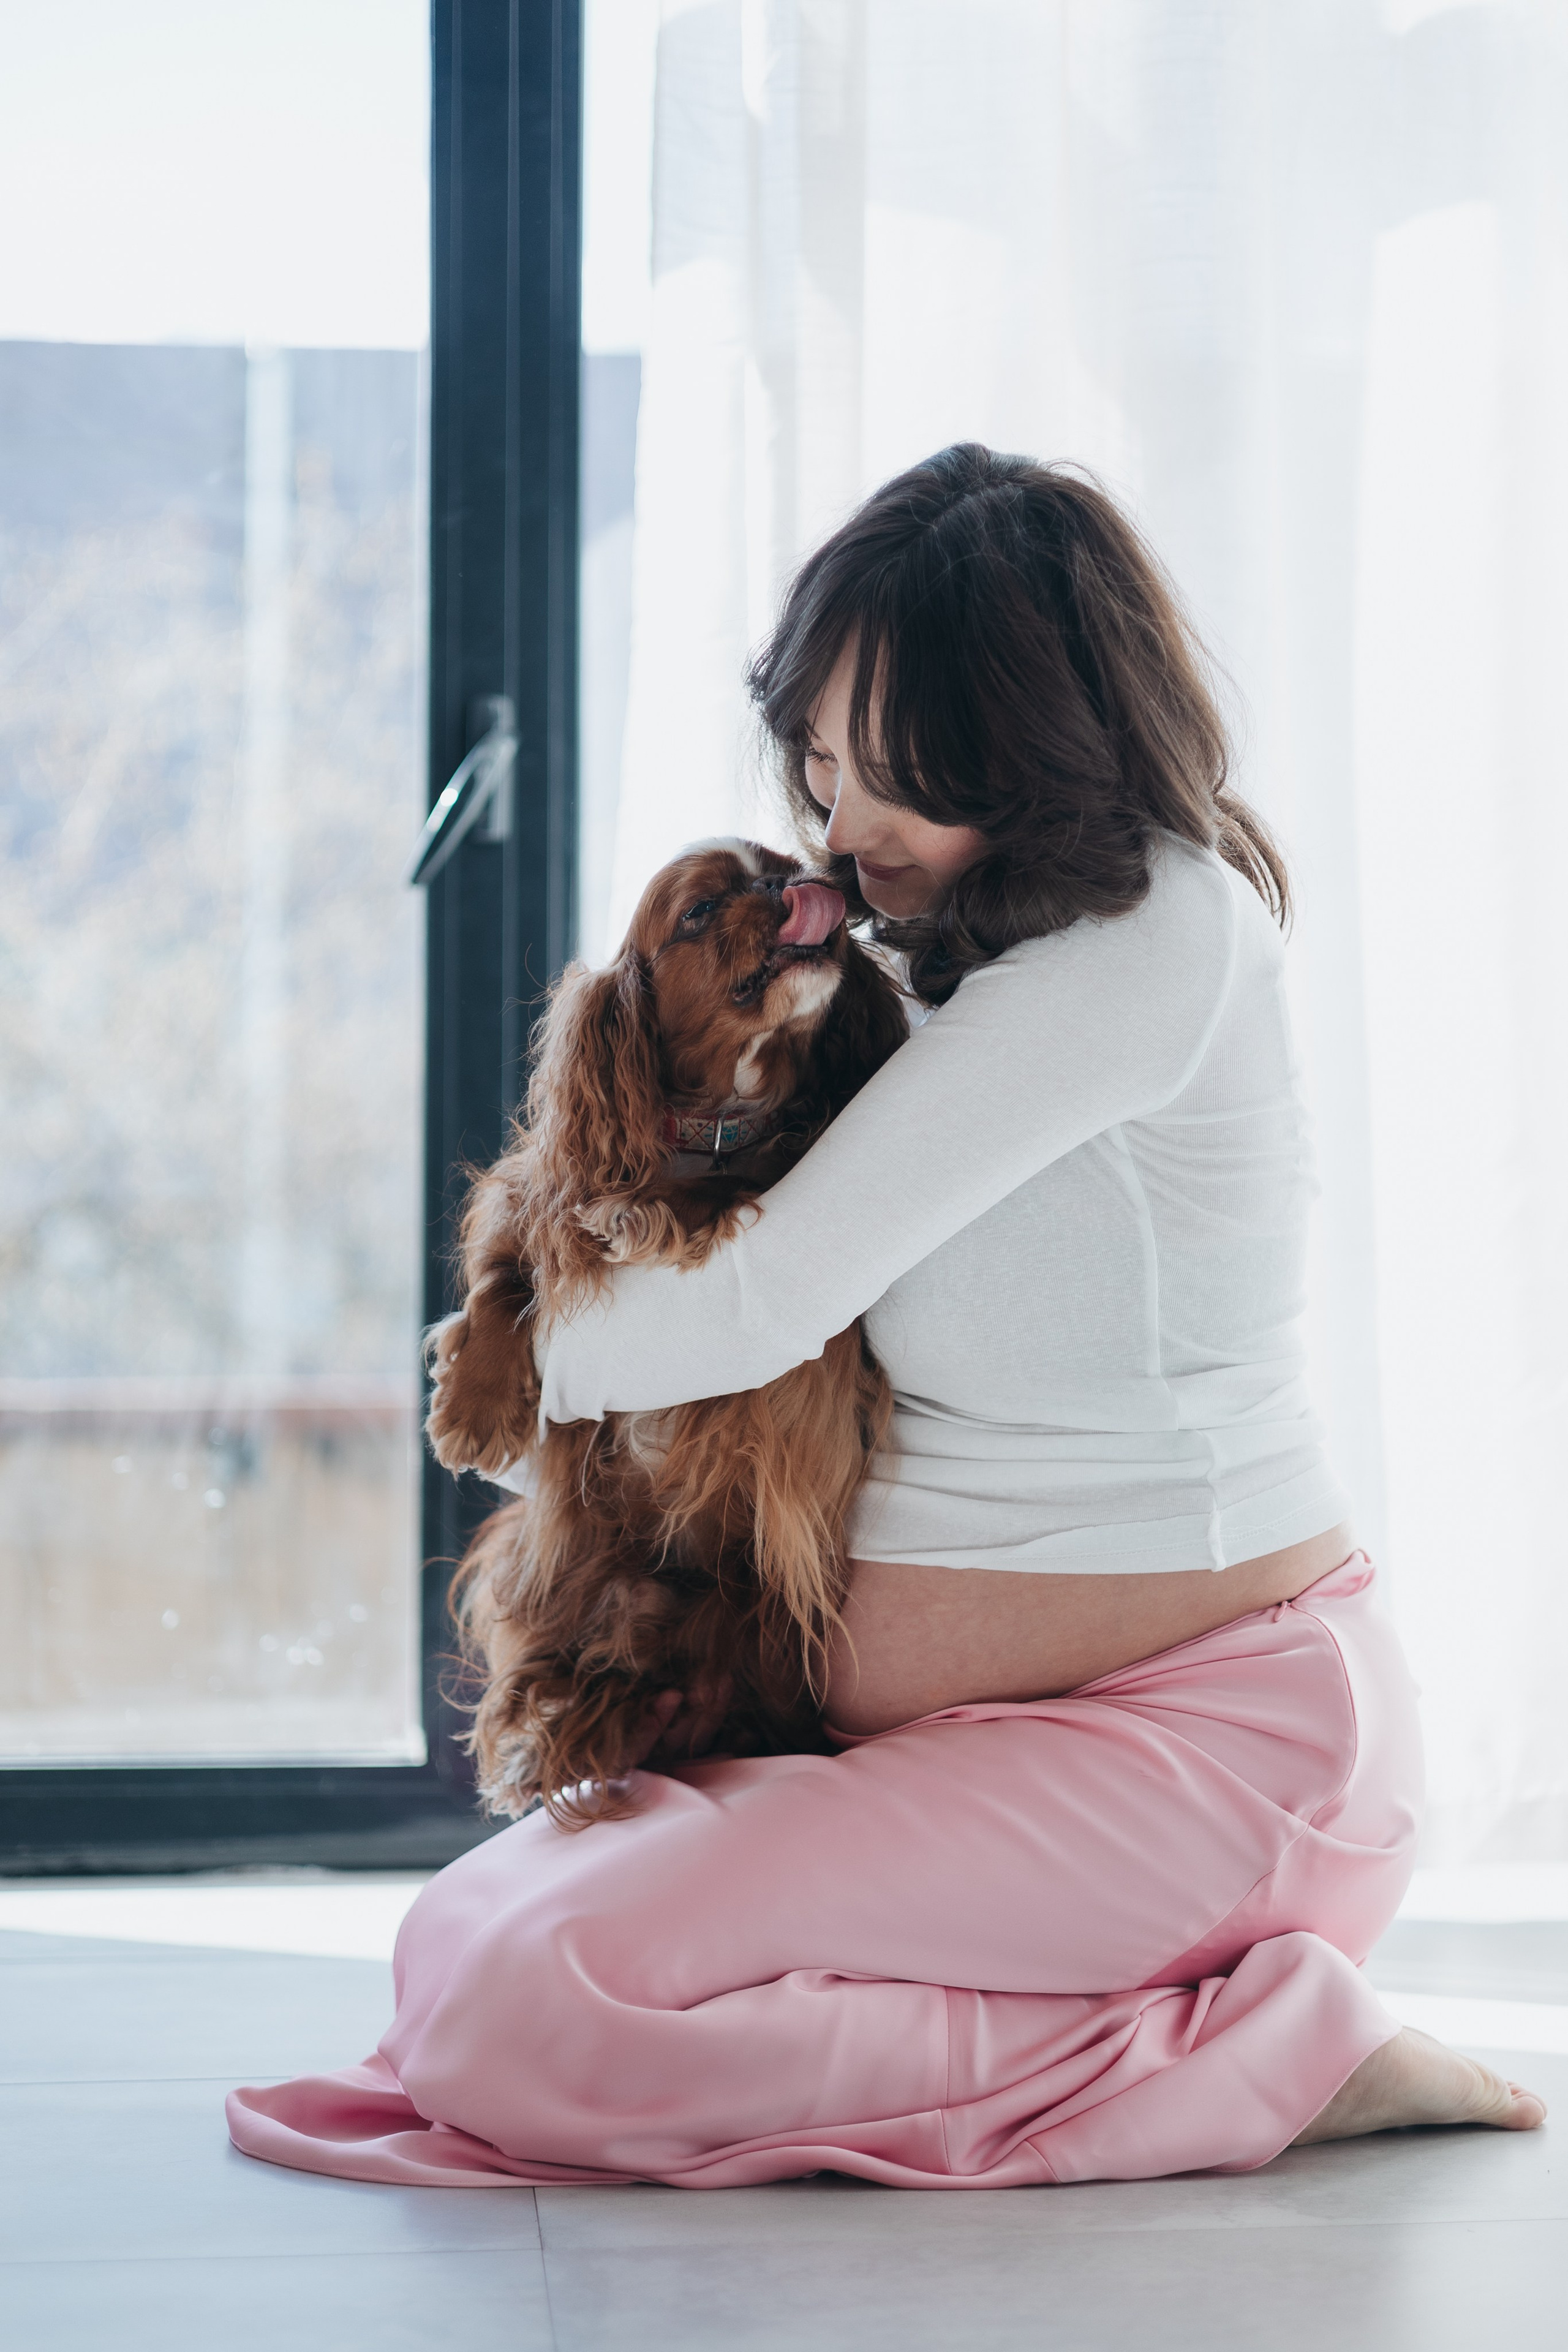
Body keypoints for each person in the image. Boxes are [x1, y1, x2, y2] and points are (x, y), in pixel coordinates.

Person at [228, 445, 1544, 2188]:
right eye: (821, 764)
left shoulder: (1153, 938)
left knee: (523, 2010)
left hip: (1219, 1751)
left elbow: (759, 1300)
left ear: (1030, 746)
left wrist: (515, 1352)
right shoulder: (941, 964)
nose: (835, 829)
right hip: (985, 1750)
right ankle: (1193, 2029)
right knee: (456, 1955)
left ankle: (1276, 2047)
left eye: (886, 778)